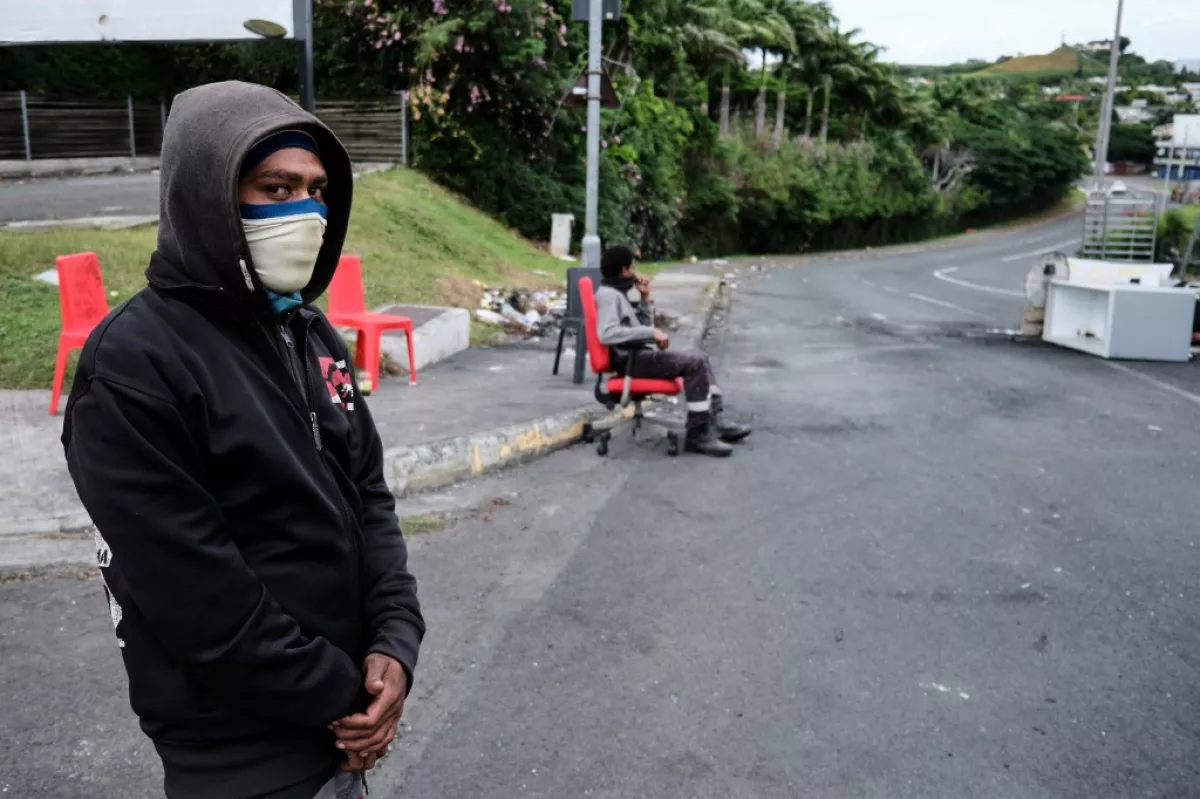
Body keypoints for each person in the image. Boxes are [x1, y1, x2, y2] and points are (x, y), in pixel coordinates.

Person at [61, 82, 424, 799]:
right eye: (277, 187)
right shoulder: (135, 367)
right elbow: (203, 603)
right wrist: (348, 696)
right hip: (238, 760)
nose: (308, 212)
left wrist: (395, 642)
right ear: (209, 192)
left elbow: (370, 501)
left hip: (341, 731)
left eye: (317, 191)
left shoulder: (309, 333)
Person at [594, 245, 751, 457]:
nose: (635, 271)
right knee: (693, 363)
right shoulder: (609, 296)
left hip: (638, 356)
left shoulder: (618, 292)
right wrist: (650, 332)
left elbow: (636, 326)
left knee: (699, 356)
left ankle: (714, 418)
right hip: (631, 361)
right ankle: (697, 435)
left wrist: (645, 299)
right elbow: (607, 333)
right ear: (624, 270)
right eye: (632, 266)